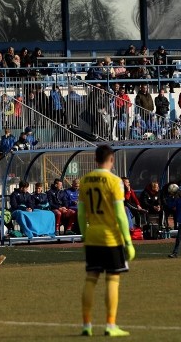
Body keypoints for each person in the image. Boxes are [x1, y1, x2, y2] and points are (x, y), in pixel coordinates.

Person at [78, 144, 134, 338]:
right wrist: (128, 241)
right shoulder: (115, 181)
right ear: (111, 160)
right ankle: (110, 325)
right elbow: (120, 213)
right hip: (111, 237)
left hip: (92, 235)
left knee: (90, 279)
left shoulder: (85, 180)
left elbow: (81, 212)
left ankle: (87, 324)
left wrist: (85, 235)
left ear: (95, 160)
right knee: (112, 279)